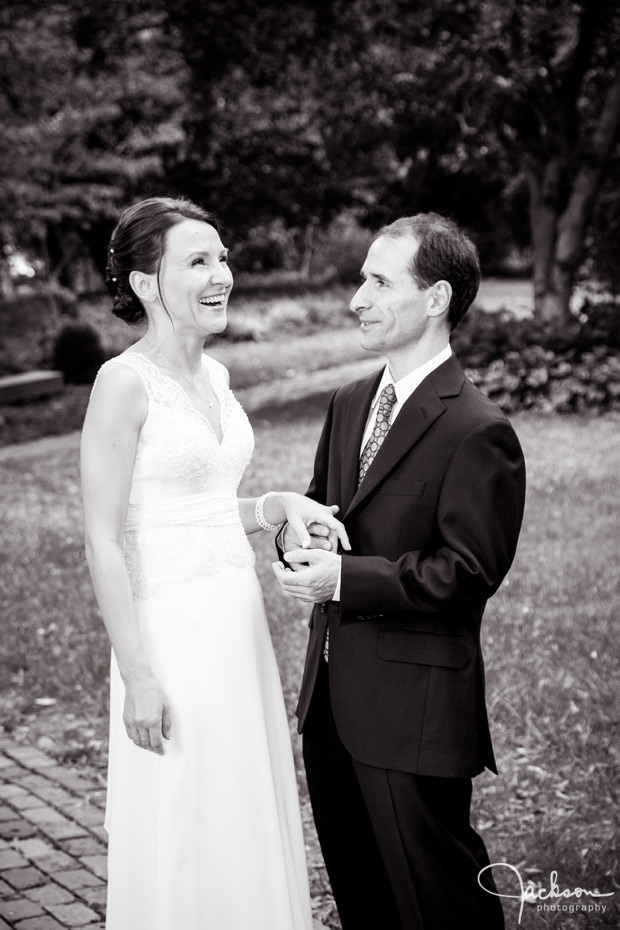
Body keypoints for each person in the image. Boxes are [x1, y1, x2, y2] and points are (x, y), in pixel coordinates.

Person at [80, 196, 351, 930]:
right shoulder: (123, 384)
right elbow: (106, 539)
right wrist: (138, 673)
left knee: (240, 799)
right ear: (145, 284)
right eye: (197, 261)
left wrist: (276, 505)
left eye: (222, 257)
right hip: (169, 633)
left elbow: (196, 512)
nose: (220, 274)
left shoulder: (220, 377)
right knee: (184, 814)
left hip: (236, 626)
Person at [273, 213, 526, 930]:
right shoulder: (351, 401)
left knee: (441, 906)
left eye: (380, 282)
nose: (359, 297)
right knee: (366, 903)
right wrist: (298, 537)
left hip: (412, 713)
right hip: (330, 707)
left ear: (437, 297)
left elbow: (467, 573)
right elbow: (321, 507)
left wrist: (345, 581)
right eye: (362, 279)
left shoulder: (478, 429)